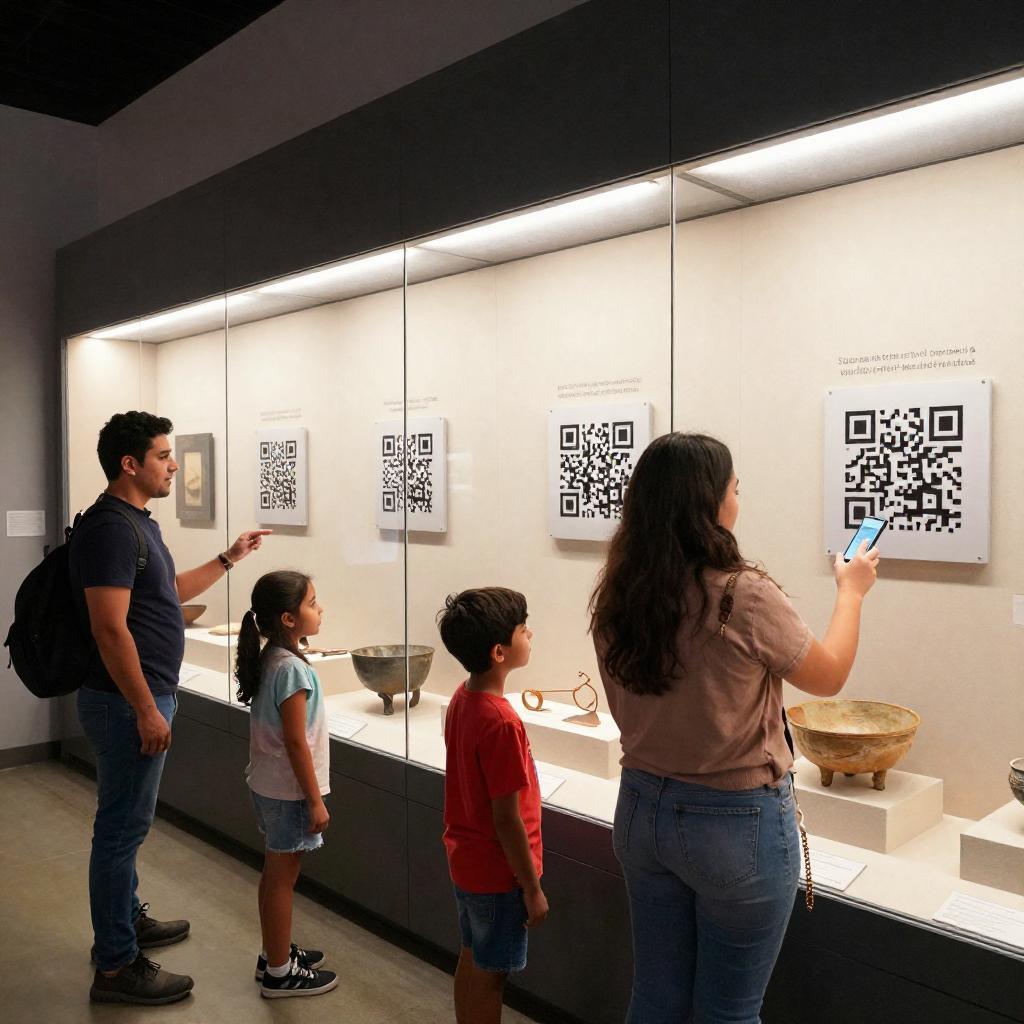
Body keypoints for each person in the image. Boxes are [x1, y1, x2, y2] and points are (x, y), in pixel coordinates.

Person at [589, 432, 879, 1024]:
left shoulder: (619, 593)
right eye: (735, 489)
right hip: (734, 821)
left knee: (655, 999)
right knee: (728, 1012)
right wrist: (851, 592)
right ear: (709, 504)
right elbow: (828, 678)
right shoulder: (741, 594)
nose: (738, 499)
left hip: (642, 808)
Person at [71, 411, 270, 1006]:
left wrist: (229, 557)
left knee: (123, 827)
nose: (173, 464)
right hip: (126, 704)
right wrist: (145, 710)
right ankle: (114, 967)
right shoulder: (110, 528)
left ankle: (125, 921)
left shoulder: (136, 526)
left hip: (138, 699)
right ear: (130, 464)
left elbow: (167, 592)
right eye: (162, 456)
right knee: (120, 831)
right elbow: (110, 629)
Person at [437, 588, 547, 1024]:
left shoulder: (463, 699)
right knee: (492, 975)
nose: (530, 633)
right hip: (500, 876)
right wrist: (532, 887)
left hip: (469, 863)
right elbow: (507, 818)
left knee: (473, 957)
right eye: (523, 629)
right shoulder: (501, 722)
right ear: (500, 651)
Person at [235, 570, 337, 999]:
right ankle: (280, 972)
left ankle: (273, 953)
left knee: (274, 874)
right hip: (289, 792)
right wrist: (315, 801)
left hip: (269, 785)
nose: (320, 608)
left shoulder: (272, 658)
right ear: (289, 619)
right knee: (282, 877)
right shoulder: (291, 670)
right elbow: (296, 741)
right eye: (313, 603)